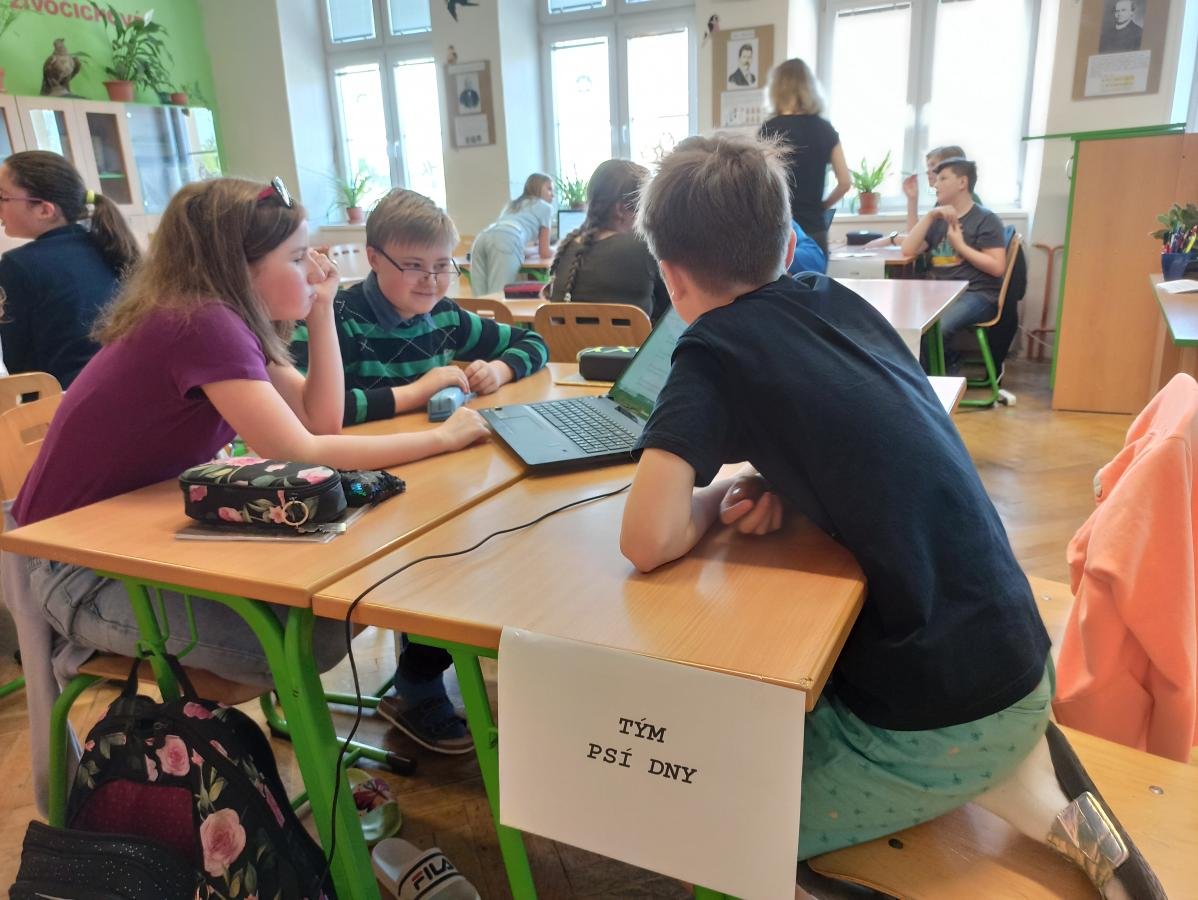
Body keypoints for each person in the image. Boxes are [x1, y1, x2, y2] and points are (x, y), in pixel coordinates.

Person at [619, 132, 1163, 900]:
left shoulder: (710, 349)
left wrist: (710, 500)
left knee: (713, 817)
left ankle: (969, 787)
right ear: (789, 246)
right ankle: (1033, 793)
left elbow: (646, 539)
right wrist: (788, 480)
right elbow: (874, 434)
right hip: (1017, 658)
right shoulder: (838, 300)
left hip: (937, 714)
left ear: (671, 278)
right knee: (779, 708)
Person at [11, 177, 490, 687]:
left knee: (343, 600)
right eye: (298, 257)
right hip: (77, 568)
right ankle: (84, 653)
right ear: (240, 268)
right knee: (314, 636)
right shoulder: (201, 323)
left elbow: (320, 419)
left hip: (135, 538)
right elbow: (302, 450)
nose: (315, 270)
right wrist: (442, 439)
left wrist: (321, 310)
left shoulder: (228, 320)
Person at [291, 189, 549, 427]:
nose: (431, 280)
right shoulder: (330, 318)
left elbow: (534, 341)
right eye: (414, 266)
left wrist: (499, 371)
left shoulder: (446, 316)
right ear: (374, 259)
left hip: (432, 447)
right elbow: (305, 409)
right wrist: (417, 393)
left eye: (441, 265)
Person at [0, 150, 141, 387]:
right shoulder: (107, 245)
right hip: (126, 385)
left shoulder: (19, 266)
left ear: (45, 210)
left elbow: (20, 369)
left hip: (69, 397)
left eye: (2, 197)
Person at [900, 157, 1006, 373]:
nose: (936, 185)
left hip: (977, 294)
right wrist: (928, 214)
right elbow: (909, 249)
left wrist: (960, 246)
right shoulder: (937, 217)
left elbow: (997, 267)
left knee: (936, 328)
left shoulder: (986, 219)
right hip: (938, 293)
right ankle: (931, 372)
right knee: (903, 320)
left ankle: (937, 377)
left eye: (943, 179)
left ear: (962, 183)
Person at [545, 159, 670, 322]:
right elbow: (671, 308)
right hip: (630, 340)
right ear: (621, 210)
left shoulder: (568, 247)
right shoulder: (642, 247)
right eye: (646, 207)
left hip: (567, 340)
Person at [758, 58, 850, 255]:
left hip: (779, 230)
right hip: (814, 230)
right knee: (813, 276)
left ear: (777, 89)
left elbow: (759, 183)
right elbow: (845, 182)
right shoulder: (825, 129)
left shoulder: (769, 129)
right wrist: (821, 207)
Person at [468, 173, 554, 294]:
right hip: (507, 239)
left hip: (483, 237)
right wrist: (558, 249)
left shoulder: (512, 204)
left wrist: (535, 249)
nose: (553, 194)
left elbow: (513, 247)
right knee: (499, 295)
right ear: (537, 187)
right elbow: (545, 252)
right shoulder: (546, 207)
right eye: (549, 189)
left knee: (480, 297)